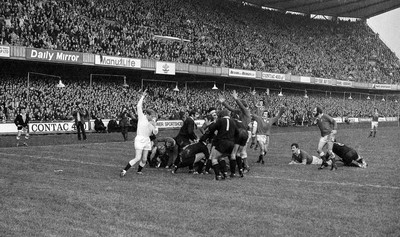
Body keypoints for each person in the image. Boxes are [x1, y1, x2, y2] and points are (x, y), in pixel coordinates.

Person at [120, 90, 158, 177]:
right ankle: (124, 170)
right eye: (151, 116)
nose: (152, 118)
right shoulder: (142, 117)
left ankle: (139, 171)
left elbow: (155, 132)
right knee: (137, 158)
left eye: (153, 117)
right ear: (147, 114)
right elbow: (138, 106)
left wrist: (155, 126)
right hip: (140, 139)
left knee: (144, 159)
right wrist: (143, 96)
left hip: (147, 140)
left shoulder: (152, 121)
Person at [219, 90, 252, 177]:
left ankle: (246, 167)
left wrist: (236, 99)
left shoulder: (246, 111)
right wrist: (223, 103)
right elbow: (231, 109)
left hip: (244, 132)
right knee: (237, 151)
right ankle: (239, 167)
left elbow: (240, 107)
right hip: (239, 132)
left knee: (241, 151)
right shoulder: (240, 111)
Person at [201, 109, 236, 180]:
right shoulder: (233, 122)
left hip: (220, 142)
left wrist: (209, 125)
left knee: (213, 158)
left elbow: (211, 129)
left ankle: (218, 175)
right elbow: (237, 133)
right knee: (220, 157)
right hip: (231, 144)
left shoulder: (219, 121)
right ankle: (225, 173)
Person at [312, 106, 338, 170]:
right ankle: (324, 162)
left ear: (318, 112)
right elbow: (314, 124)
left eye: (314, 111)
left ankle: (334, 165)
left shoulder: (325, 116)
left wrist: (335, 129)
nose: (313, 112)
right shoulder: (317, 118)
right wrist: (314, 122)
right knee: (319, 150)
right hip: (323, 136)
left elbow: (334, 121)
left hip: (330, 135)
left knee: (329, 151)